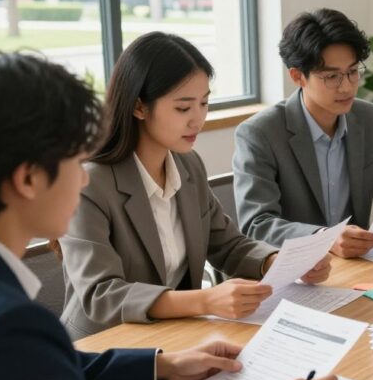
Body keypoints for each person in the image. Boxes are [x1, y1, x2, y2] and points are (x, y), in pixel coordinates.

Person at [0, 49, 338, 380]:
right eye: (72, 161)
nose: (82, 177)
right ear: (28, 179)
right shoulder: (4, 327)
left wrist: (161, 365)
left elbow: (30, 371)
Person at [60, 32, 331, 339]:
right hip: (104, 347)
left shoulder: (188, 165)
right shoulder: (89, 183)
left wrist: (278, 262)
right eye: (183, 108)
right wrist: (205, 299)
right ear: (139, 107)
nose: (198, 120)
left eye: (204, 103)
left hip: (173, 337)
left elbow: (226, 244)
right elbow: (101, 294)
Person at [233, 8, 373, 258]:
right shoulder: (260, 133)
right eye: (332, 76)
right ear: (297, 76)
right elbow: (257, 223)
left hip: (357, 266)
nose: (347, 86)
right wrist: (323, 239)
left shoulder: (367, 118)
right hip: (297, 272)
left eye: (352, 72)